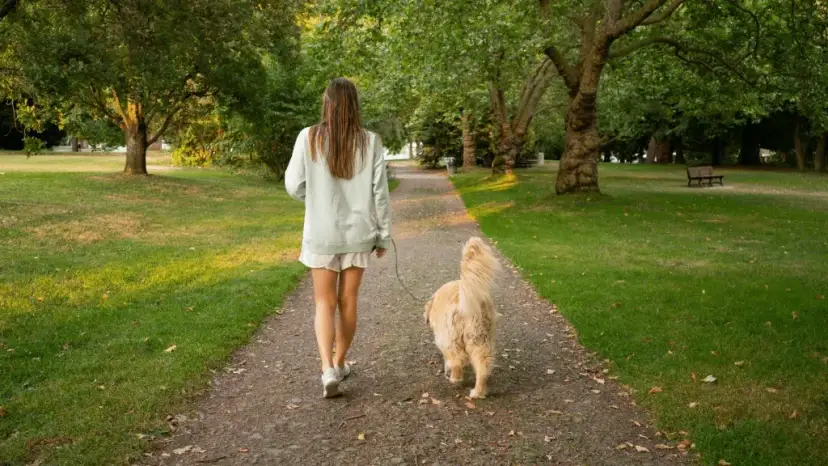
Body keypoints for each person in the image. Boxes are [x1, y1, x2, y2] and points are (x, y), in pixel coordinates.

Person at [285, 78, 392, 398]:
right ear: (354, 105)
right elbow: (380, 193)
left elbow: (293, 185)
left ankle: (326, 368)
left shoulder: (309, 137)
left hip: (321, 232)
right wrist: (384, 235)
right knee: (348, 302)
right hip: (359, 234)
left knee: (323, 302)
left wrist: (314, 199)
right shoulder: (370, 141)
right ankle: (341, 362)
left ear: (327, 103)